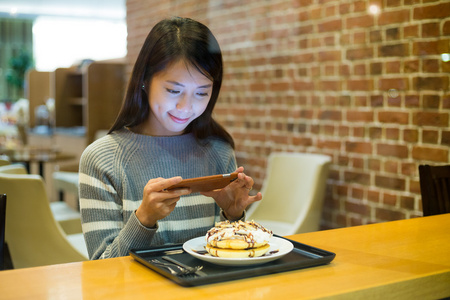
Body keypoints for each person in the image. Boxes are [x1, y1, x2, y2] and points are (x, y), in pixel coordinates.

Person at [79, 16, 262, 260]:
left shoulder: (219, 151)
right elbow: (102, 271)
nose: (186, 106)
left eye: (201, 92)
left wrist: (232, 216)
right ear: (144, 80)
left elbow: (225, 256)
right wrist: (143, 219)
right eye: (174, 90)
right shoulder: (101, 159)